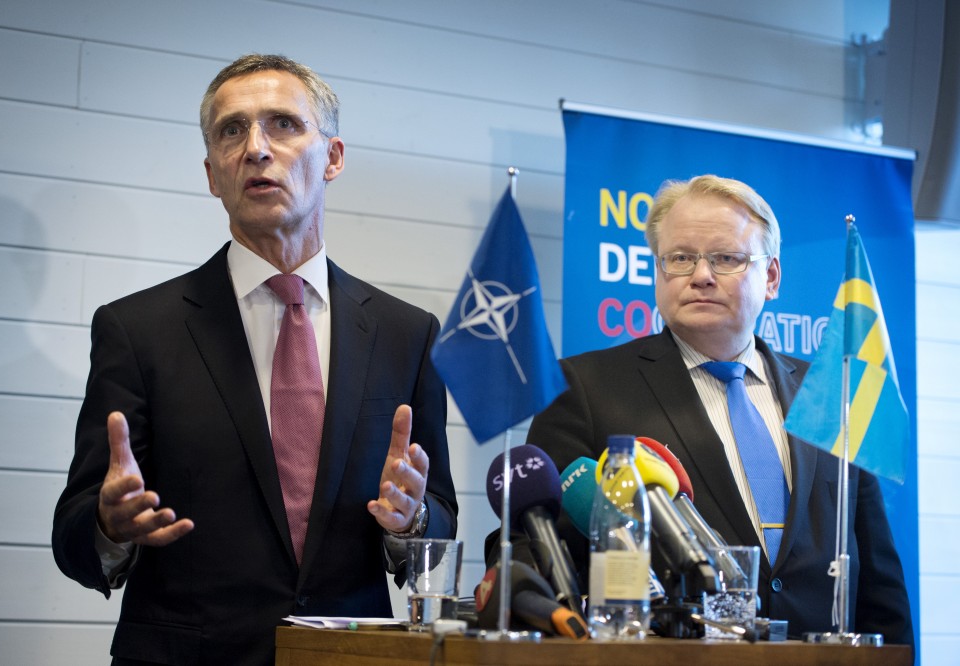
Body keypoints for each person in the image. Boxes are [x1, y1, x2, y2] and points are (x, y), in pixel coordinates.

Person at [52, 54, 458, 666]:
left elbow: (440, 521)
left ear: (334, 157)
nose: (256, 148)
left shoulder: (407, 333)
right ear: (212, 173)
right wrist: (109, 527)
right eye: (231, 131)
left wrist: (410, 522)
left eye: (284, 125)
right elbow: (74, 538)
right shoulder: (136, 330)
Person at [517, 174, 913, 644]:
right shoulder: (584, 388)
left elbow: (878, 575)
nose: (700, 275)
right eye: (680, 258)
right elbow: (537, 554)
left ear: (771, 277)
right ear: (658, 271)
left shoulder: (832, 393)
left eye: (726, 258)